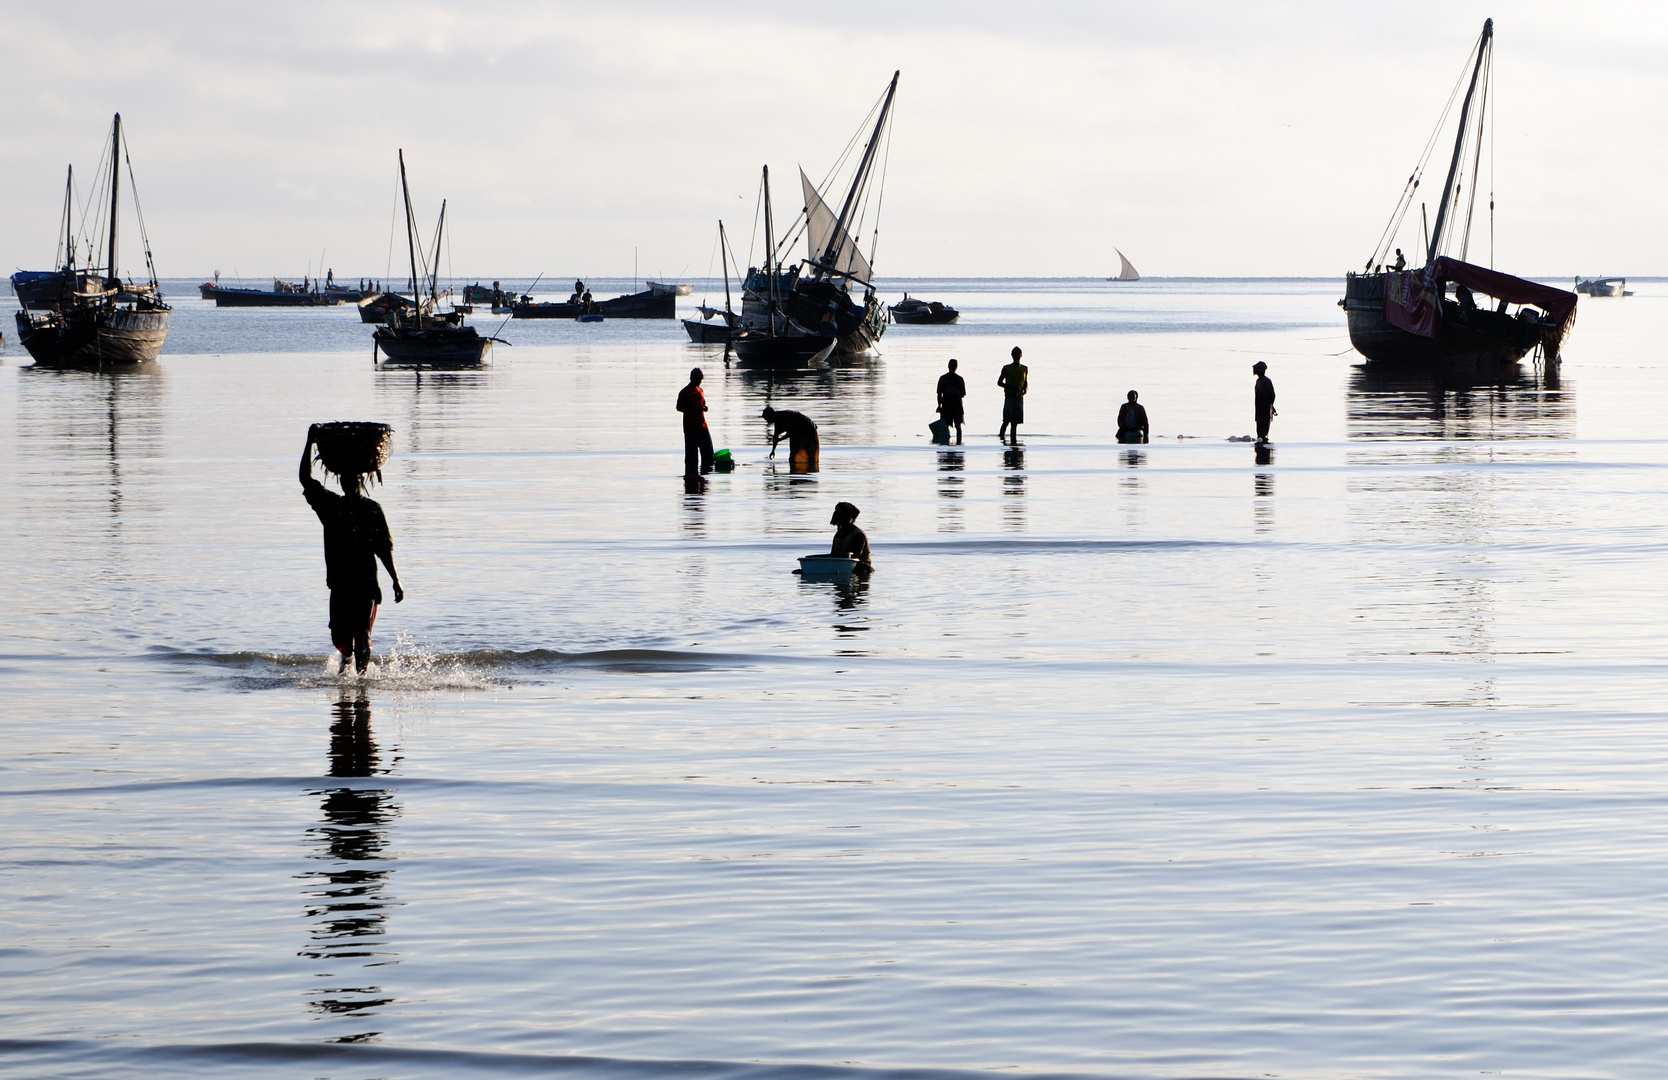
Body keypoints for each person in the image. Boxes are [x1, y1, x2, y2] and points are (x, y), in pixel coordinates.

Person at [299, 426, 403, 674]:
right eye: (345, 480)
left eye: (354, 479)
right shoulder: (331, 507)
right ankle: (346, 668)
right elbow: (305, 478)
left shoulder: (372, 510)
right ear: (341, 483)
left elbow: (384, 549)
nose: (349, 483)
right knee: (341, 639)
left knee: (362, 633)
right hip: (340, 583)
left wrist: (395, 580)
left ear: (361, 481)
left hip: (366, 583)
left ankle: (362, 683)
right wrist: (309, 442)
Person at [676, 368, 714, 476]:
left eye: (701, 380)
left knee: (708, 455)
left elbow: (702, 404)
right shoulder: (685, 392)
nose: (700, 381)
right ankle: (691, 478)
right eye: (699, 379)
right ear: (693, 378)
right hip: (691, 429)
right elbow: (679, 408)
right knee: (692, 459)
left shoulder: (700, 390)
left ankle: (705, 476)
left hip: (703, 427)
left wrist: (704, 408)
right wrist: (694, 410)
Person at [762, 406, 819, 472]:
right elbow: (775, 437)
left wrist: (780, 439)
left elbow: (791, 432)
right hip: (797, 432)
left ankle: (809, 470)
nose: (768, 421)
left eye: (767, 419)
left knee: (810, 455)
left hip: (807, 428)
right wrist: (773, 451)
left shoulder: (784, 417)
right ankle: (797, 474)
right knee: (793, 456)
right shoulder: (777, 421)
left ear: (771, 415)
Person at [829, 501, 872, 576]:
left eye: (843, 515)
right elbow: (833, 556)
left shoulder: (858, 535)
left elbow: (853, 558)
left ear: (850, 517)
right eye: (838, 515)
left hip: (861, 569)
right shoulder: (838, 535)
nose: (840, 518)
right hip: (842, 568)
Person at [997, 346, 1028, 444]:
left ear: (1021, 355)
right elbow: (999, 382)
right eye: (1015, 355)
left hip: (1019, 398)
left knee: (1014, 423)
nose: (1016, 357)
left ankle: (1013, 443)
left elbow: (1025, 382)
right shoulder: (1007, 368)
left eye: (1018, 355)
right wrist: (1011, 388)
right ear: (1012, 355)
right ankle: (1001, 440)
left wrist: (1024, 390)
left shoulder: (1024, 368)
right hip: (1009, 398)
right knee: (1006, 421)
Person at [936, 358, 966, 444]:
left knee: (949, 427)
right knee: (957, 427)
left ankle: (946, 443)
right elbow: (962, 394)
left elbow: (939, 394)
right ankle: (958, 443)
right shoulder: (959, 379)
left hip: (950, 406)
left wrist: (939, 405)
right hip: (952, 406)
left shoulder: (944, 378)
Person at [1253, 361, 1277, 446]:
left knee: (1263, 433)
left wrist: (1271, 406)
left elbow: (1272, 395)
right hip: (1259, 410)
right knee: (1259, 432)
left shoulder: (1266, 381)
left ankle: (1264, 452)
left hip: (1265, 411)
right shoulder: (1258, 381)